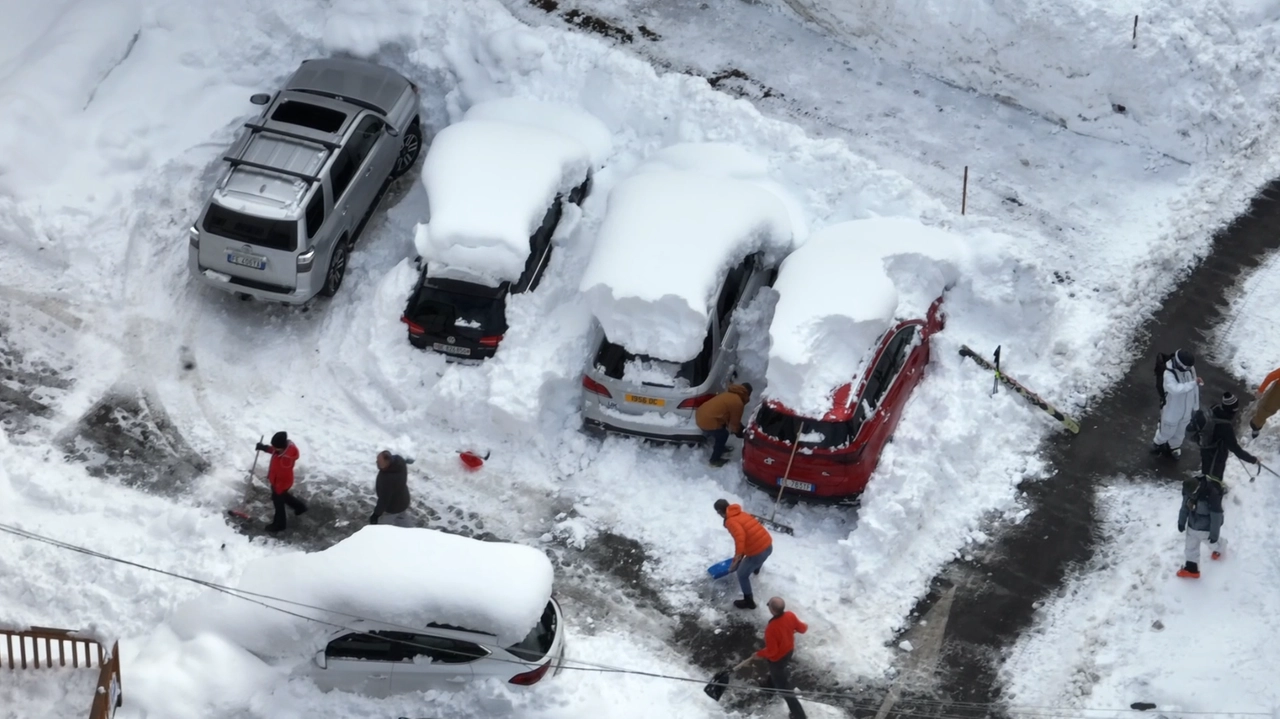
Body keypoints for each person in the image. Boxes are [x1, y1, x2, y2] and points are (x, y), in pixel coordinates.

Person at [735, 597, 808, 719]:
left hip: (778, 658)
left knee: (785, 690)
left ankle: (799, 715)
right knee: (776, 673)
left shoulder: (771, 629)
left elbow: (772, 651)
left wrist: (759, 654)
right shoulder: (790, 615)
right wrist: (792, 627)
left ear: (773, 610)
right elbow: (802, 629)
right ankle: (769, 686)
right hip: (788, 651)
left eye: (769, 605)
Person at [715, 498, 772, 609]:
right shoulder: (740, 513)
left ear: (719, 512)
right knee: (756, 559)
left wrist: (737, 558)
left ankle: (748, 601)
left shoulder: (731, 521)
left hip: (758, 553)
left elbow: (740, 538)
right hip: (768, 546)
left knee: (741, 574)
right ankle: (756, 569)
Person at [1151, 349, 1201, 459]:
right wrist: (1193, 383)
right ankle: (1158, 442)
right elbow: (1175, 389)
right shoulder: (1168, 374)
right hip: (1172, 410)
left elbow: (1195, 389)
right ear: (1179, 363)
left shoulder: (1190, 369)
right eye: (1186, 367)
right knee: (1167, 431)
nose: (1188, 369)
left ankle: (1174, 446)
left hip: (1186, 411)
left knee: (1181, 432)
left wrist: (1195, 406)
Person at [255, 431, 307, 532]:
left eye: (275, 447)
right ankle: (300, 507)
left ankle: (279, 525)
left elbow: (283, 476)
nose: (273, 448)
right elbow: (274, 450)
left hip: (281, 483)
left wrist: (277, 489)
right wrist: (264, 448)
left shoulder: (285, 460)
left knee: (278, 503)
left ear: (282, 447)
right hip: (277, 481)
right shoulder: (282, 450)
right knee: (284, 496)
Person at [696, 383, 753, 467]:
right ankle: (714, 460)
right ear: (748, 394)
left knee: (721, 429)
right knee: (723, 435)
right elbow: (734, 425)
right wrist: (742, 433)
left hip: (700, 415)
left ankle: (720, 447)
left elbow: (727, 416)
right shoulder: (738, 402)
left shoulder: (729, 394)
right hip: (707, 421)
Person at [370, 450, 412, 527]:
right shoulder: (399, 462)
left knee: (380, 528)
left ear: (387, 461)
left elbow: (384, 500)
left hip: (392, 508)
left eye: (379, 461)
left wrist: (376, 515)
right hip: (403, 501)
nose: (377, 462)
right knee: (403, 520)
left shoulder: (387, 479)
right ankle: (412, 535)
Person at [1247, 365, 1280, 438]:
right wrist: (1260, 390)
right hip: (1277, 393)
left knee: (1268, 409)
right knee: (1266, 409)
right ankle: (1255, 426)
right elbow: (1271, 376)